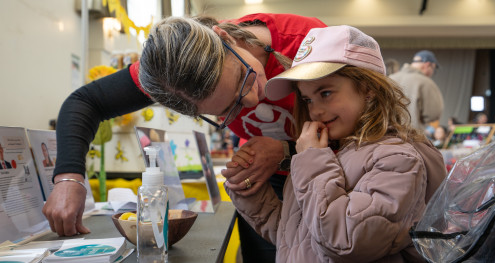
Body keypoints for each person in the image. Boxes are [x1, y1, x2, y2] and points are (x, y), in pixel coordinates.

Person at [44, 13, 326, 262]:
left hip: (335, 174)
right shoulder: (171, 74)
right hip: (264, 182)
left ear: (224, 37)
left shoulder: (310, 43)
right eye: (230, 108)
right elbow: (86, 102)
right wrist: (69, 178)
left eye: (244, 76)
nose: (253, 99)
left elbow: (368, 133)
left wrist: (285, 150)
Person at [225, 25, 446, 262]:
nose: (316, 110)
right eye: (307, 99)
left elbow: (347, 240)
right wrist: (250, 195)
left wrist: (311, 160)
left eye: (326, 93)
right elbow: (296, 237)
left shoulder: (397, 159)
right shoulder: (328, 153)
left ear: (368, 89)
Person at [390, 50, 444, 131]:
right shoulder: (425, 82)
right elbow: (433, 114)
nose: (432, 73)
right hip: (412, 138)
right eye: (434, 69)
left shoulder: (390, 78)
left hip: (386, 138)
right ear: (428, 65)